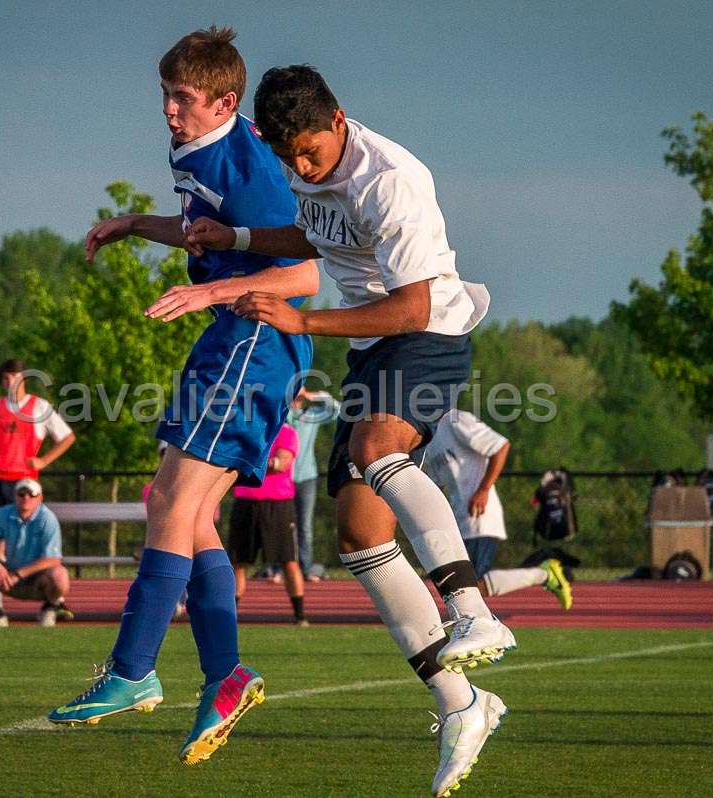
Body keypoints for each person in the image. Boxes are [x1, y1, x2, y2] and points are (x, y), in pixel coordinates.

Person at [186, 64, 510, 796]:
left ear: (339, 121)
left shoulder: (391, 179)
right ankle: (463, 704)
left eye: (310, 153)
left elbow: (413, 306)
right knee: (360, 534)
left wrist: (302, 320)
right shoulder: (308, 167)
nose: (300, 167)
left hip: (426, 331)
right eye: (287, 157)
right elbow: (310, 233)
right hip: (372, 344)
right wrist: (234, 232)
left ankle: (472, 610)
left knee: (373, 449)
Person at [46, 28, 318, 769]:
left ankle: (132, 672)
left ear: (226, 101)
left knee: (172, 503)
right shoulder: (196, 147)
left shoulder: (246, 162)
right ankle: (224, 674)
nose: (169, 110)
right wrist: (139, 225)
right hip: (232, 332)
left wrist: (214, 292)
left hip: (257, 338)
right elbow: (210, 232)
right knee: (183, 509)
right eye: (165, 95)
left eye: (184, 99)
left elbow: (306, 276)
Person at [423, 410, 572, 608]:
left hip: (479, 518)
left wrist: (483, 490)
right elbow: (436, 484)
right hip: (458, 520)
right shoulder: (429, 436)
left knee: (471, 588)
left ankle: (543, 574)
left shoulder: (456, 420)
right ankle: (475, 624)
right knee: (458, 587)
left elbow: (500, 446)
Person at [0, 358, 76, 524]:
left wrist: (43, 461)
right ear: (2, 383)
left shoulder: (39, 406)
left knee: (22, 528)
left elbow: (67, 437)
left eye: (14, 376)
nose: (10, 381)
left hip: (24, 481)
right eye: (5, 378)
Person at [0, 478, 71, 627]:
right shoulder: (3, 514)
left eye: (32, 494)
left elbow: (53, 559)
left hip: (36, 581)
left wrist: (18, 574)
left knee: (60, 575)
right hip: (6, 578)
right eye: (21, 493)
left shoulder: (47, 518)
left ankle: (49, 608)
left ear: (40, 497)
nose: (26, 498)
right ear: (14, 495)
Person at [228, 424, 307, 625]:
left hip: (278, 504)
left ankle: (300, 616)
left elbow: (281, 463)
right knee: (238, 561)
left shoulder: (286, 432)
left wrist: (247, 464)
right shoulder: (244, 430)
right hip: (245, 502)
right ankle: (229, 615)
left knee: (289, 560)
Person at [289, 386, 339, 580]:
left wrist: (312, 395)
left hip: (307, 477)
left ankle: (306, 566)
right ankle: (283, 567)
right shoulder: (282, 418)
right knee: (283, 525)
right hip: (281, 479)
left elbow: (337, 409)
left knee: (305, 525)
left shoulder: (310, 416)